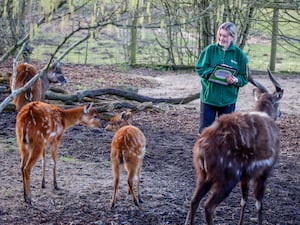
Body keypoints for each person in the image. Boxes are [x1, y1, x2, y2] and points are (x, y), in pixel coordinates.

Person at [195, 22, 249, 133]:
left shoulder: (240, 56)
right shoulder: (210, 50)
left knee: (225, 134)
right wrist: (213, 72)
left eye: (225, 36)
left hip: (228, 101)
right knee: (205, 133)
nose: (221, 38)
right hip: (209, 99)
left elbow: (244, 77)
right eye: (220, 35)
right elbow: (200, 68)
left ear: (232, 37)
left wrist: (235, 80)